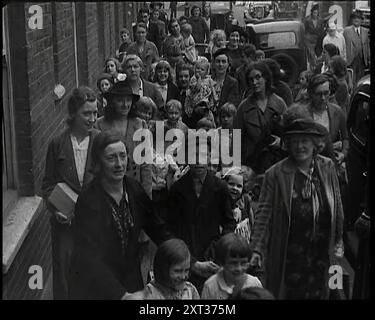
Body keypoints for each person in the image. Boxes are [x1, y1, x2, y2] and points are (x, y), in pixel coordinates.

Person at [68, 131, 173, 299]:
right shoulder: (89, 200)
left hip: (130, 281)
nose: (119, 164)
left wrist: (192, 261)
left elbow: (158, 229)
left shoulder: (134, 189)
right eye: (111, 158)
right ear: (98, 163)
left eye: (122, 156)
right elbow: (89, 256)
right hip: (97, 286)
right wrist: (121, 295)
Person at [250, 118, 345, 299]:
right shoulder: (275, 174)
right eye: (294, 141)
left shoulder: (328, 166)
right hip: (290, 256)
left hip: (323, 254)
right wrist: (256, 249)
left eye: (304, 141)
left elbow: (337, 204)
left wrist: (339, 239)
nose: (299, 146)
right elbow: (263, 215)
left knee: (329, 293)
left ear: (315, 143)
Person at [42, 86, 99, 299]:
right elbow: (47, 185)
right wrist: (56, 208)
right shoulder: (57, 145)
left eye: (95, 112)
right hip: (66, 226)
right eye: (86, 113)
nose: (92, 118)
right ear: (73, 113)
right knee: (66, 278)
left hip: (95, 224)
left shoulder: (101, 142)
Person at [167, 140, 237, 292]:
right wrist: (188, 258)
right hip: (185, 253)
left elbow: (229, 223)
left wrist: (219, 246)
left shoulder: (220, 187)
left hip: (213, 253)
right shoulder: (177, 189)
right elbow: (170, 227)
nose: (198, 161)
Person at [95, 80, 152, 199]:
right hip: (109, 189)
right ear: (112, 102)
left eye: (128, 100)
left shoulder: (140, 125)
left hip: (134, 187)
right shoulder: (100, 125)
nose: (125, 104)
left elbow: (146, 165)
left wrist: (146, 197)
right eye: (120, 100)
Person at [234, 61, 287, 174]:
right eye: (251, 79)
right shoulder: (244, 108)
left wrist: (281, 142)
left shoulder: (279, 104)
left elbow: (290, 134)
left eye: (258, 77)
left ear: (266, 78)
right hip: (251, 164)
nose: (254, 82)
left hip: (277, 164)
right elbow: (236, 141)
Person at [126, 239, 200, 300]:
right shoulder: (149, 295)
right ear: (163, 270)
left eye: (186, 270)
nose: (184, 276)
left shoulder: (190, 290)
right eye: (177, 271)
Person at [201, 233, 262, 299]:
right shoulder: (211, 286)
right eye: (233, 263)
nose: (239, 268)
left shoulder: (254, 283)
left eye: (243, 263)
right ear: (222, 263)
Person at [222, 168, 255, 243]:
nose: (234, 188)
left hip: (244, 241)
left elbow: (252, 222)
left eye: (239, 186)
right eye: (231, 184)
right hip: (227, 242)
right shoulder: (221, 202)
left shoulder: (246, 201)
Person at [184, 57, 217, 123]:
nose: (199, 70)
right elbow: (197, 88)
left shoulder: (208, 79)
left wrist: (214, 97)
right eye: (197, 68)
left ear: (207, 71)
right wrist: (199, 78)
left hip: (206, 99)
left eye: (202, 69)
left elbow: (212, 88)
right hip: (195, 99)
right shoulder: (194, 79)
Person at [211, 48, 240, 117]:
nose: (220, 64)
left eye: (223, 61)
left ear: (228, 64)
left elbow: (231, 104)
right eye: (218, 61)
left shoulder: (233, 83)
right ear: (214, 64)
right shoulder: (208, 80)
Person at [343, 11, 370, 85]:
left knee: (361, 81)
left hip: (362, 61)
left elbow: (367, 46)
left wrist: (368, 59)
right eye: (354, 18)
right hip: (351, 60)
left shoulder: (365, 31)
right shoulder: (346, 31)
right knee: (351, 81)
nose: (356, 20)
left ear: (361, 20)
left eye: (358, 18)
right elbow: (343, 46)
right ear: (352, 20)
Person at [303, 4, 325, 70]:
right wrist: (306, 39)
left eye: (317, 13)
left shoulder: (320, 20)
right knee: (312, 55)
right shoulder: (307, 20)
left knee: (318, 55)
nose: (315, 14)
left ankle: (317, 69)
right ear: (312, 13)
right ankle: (312, 68)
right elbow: (305, 31)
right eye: (314, 13)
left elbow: (321, 30)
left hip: (318, 40)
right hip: (309, 40)